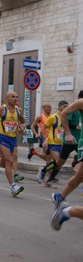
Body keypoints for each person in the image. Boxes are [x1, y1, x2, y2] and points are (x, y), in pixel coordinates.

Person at [50, 96, 83, 231]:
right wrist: (68, 134)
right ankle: (67, 210)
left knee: (80, 176)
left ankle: (61, 200)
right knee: (60, 162)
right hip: (74, 142)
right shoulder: (81, 102)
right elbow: (64, 114)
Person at [37, 100, 69, 186]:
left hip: (61, 144)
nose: (66, 108)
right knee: (58, 161)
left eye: (67, 106)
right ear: (59, 107)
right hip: (52, 143)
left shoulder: (66, 117)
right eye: (64, 106)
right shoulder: (53, 117)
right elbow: (43, 128)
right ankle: (46, 174)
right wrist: (44, 140)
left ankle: (46, 174)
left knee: (59, 165)